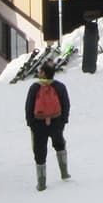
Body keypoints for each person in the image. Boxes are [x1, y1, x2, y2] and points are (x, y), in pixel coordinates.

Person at [25, 63, 72, 191]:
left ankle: (41, 183)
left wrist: (31, 123)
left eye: (40, 71)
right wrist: (63, 121)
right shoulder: (60, 87)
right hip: (56, 123)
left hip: (38, 124)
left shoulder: (35, 87)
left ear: (44, 73)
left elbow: (29, 107)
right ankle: (64, 172)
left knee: (39, 151)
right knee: (59, 144)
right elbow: (66, 105)